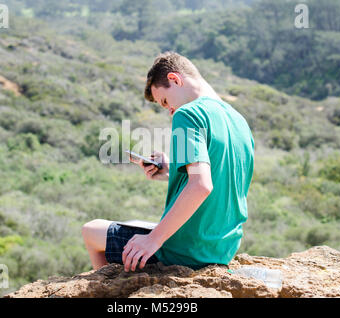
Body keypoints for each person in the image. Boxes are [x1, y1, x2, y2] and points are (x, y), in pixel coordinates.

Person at [81, 51, 255, 272]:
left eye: (165, 101)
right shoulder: (240, 122)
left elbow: (201, 185)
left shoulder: (187, 114)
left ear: (175, 79)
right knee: (133, 223)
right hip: (221, 250)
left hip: (185, 251)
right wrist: (171, 170)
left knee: (91, 230)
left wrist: (154, 239)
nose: (170, 110)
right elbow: (222, 180)